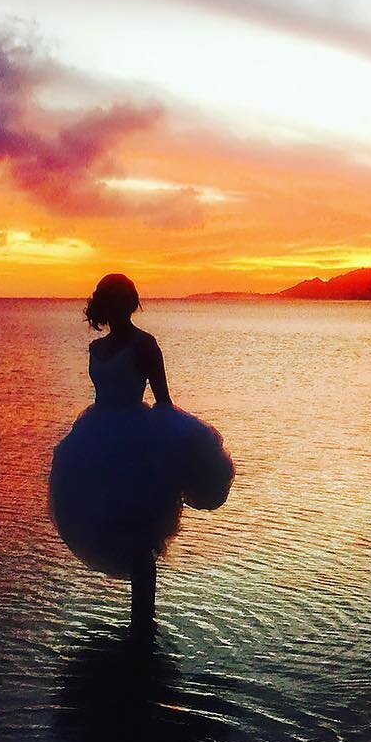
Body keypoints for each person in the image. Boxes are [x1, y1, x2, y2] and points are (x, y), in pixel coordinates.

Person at [48, 273, 234, 637]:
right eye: (111, 299)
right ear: (103, 303)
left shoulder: (145, 345)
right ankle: (140, 633)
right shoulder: (96, 348)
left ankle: (143, 624)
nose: (118, 306)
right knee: (110, 525)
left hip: (136, 440)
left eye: (123, 299)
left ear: (130, 303)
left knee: (141, 537)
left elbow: (163, 402)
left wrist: (176, 447)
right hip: (97, 442)